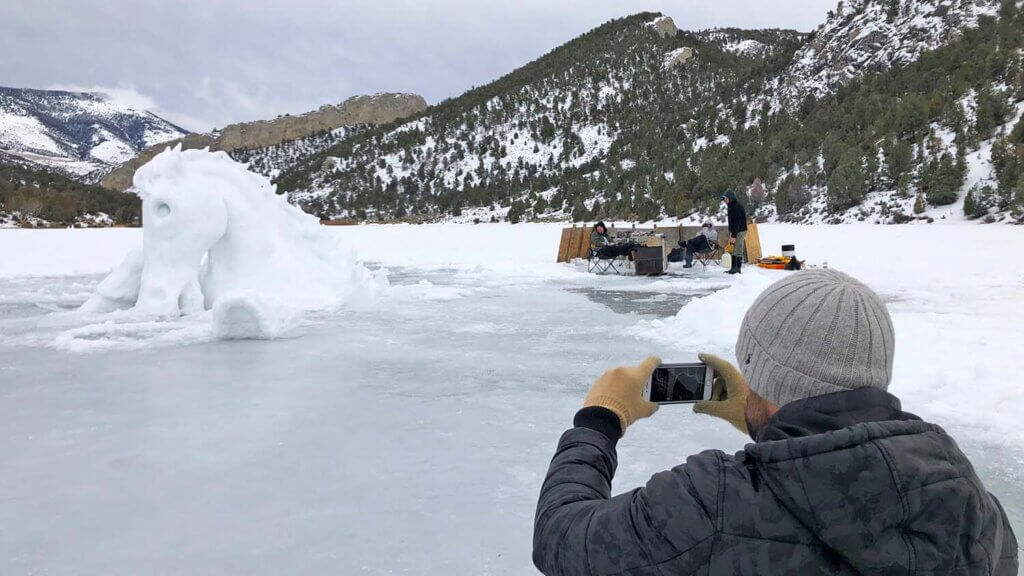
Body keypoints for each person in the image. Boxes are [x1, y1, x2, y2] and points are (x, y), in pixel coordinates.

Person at [533, 269, 1018, 576]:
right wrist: (770, 428)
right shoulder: (973, 504)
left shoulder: (713, 502)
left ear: (761, 375)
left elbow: (561, 539)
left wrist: (600, 419)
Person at [722, 190, 747, 274]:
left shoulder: (737, 207)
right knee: (733, 249)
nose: (724, 201)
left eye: (725, 199)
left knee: (738, 249)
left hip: (740, 230)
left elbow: (737, 222)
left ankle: (737, 268)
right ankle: (733, 267)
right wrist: (732, 233)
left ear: (730, 198)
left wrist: (733, 236)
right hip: (735, 230)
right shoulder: (731, 206)